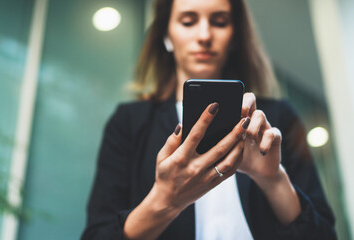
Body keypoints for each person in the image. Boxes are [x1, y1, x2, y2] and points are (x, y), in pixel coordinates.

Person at [82, 0, 336, 239]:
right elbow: (98, 234)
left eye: (219, 21)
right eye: (188, 21)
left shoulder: (276, 119)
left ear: (235, 36)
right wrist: (165, 201)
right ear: (166, 36)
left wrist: (273, 180)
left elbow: (324, 234)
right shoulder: (129, 122)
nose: (204, 36)